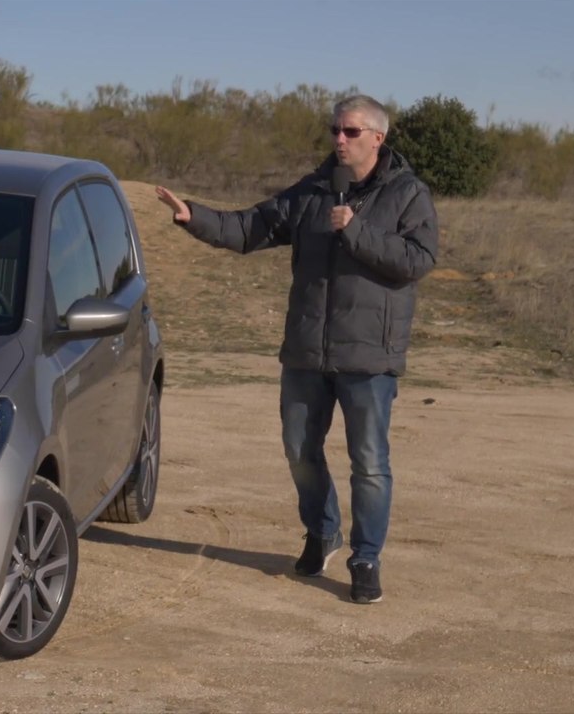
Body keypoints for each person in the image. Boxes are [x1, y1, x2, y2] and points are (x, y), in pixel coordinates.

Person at [155, 94, 438, 604]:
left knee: (369, 463)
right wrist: (193, 216)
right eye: (334, 130)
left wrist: (357, 229)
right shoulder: (313, 191)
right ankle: (322, 530)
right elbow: (251, 227)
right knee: (299, 450)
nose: (339, 140)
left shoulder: (407, 195)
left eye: (351, 132)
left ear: (378, 138)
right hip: (307, 351)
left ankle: (366, 556)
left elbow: (417, 260)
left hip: (370, 357)